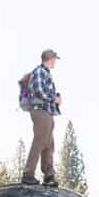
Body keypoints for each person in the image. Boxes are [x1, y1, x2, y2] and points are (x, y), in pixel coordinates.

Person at [22, 49, 62, 186]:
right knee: (40, 141)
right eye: (55, 59)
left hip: (47, 112)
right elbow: (38, 91)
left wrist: (55, 99)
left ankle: (49, 176)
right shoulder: (39, 71)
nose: (55, 62)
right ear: (50, 58)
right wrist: (54, 99)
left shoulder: (45, 73)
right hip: (41, 111)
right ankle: (28, 174)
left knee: (49, 144)